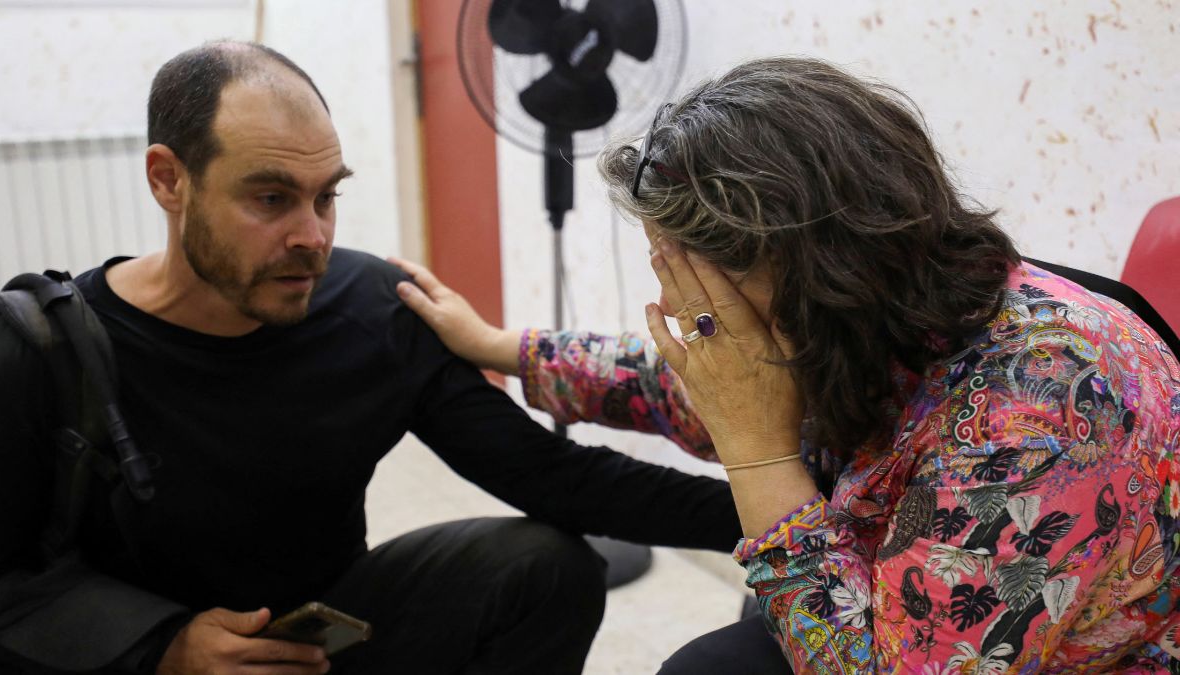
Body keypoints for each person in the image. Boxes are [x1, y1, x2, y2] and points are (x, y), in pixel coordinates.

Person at [392, 57, 1180, 673]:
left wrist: (759, 454)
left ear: (806, 264)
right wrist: (505, 347)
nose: (677, 305)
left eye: (687, 279)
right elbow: (688, 379)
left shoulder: (1043, 404)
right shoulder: (865, 313)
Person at [0, 41, 745, 674]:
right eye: (271, 199)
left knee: (545, 568)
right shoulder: (43, 348)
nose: (312, 236)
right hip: (139, 653)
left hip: (323, 638)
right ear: (168, 179)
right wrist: (163, 645)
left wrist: (778, 515)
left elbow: (554, 478)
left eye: (326, 197)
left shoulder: (373, 310)